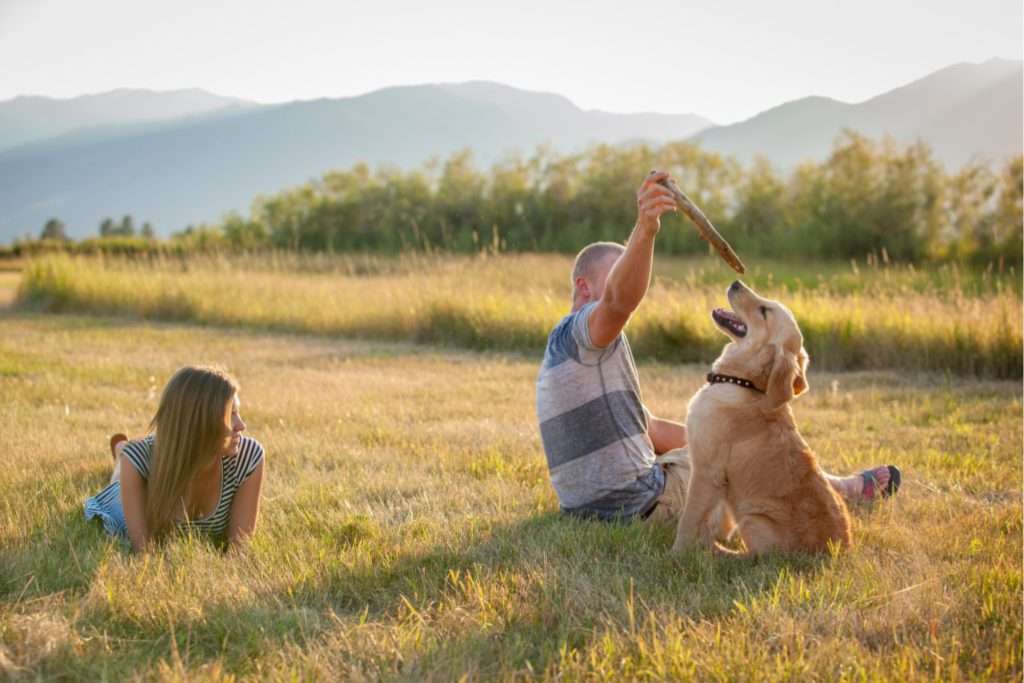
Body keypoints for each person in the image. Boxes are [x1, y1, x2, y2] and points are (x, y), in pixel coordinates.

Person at [535, 170, 899, 525]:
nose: (628, 282)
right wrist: (646, 229)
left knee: (730, 441)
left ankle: (826, 482)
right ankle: (842, 491)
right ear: (584, 288)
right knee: (749, 448)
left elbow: (651, 429)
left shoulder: (576, 356)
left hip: (586, 513)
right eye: (617, 273)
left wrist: (710, 441)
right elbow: (618, 301)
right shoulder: (581, 334)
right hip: (642, 504)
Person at [84, 365, 265, 552]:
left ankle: (121, 449)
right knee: (122, 472)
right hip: (145, 463)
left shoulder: (248, 457)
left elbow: (239, 551)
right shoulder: (138, 461)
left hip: (167, 450)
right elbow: (145, 553)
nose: (242, 425)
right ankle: (121, 451)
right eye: (231, 415)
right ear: (199, 420)